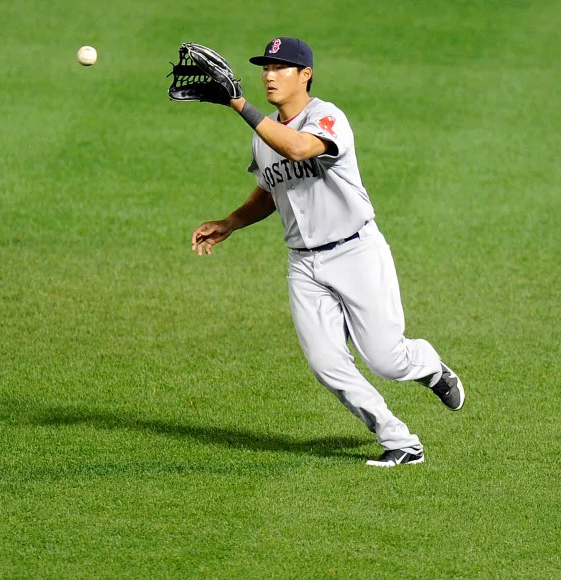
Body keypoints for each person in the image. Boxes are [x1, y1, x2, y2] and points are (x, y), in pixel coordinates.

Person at [190, 37, 464, 467]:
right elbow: (269, 189)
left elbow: (298, 149)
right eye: (265, 67)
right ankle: (399, 441)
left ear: (306, 75)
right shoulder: (265, 136)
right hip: (303, 263)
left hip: (356, 252)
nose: (269, 75)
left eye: (280, 67)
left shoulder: (327, 117)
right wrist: (230, 222)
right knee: (326, 364)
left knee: (386, 359)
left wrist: (241, 106)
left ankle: (428, 366)